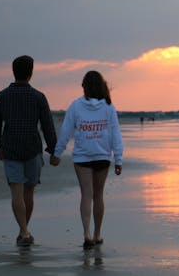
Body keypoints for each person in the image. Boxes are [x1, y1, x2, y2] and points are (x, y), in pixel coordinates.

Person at [51, 71, 123, 250]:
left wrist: (57, 153)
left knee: (86, 195)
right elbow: (116, 134)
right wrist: (118, 159)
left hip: (83, 156)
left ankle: (87, 234)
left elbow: (66, 131)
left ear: (85, 87)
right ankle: (98, 234)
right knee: (98, 195)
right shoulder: (108, 107)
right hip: (102, 156)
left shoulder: (76, 106)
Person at [0, 55, 57, 246]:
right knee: (29, 192)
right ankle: (24, 231)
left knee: (16, 192)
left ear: (14, 71)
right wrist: (53, 149)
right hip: (32, 148)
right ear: (31, 72)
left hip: (10, 147)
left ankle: (24, 231)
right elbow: (47, 126)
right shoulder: (38, 97)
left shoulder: (2, 96)